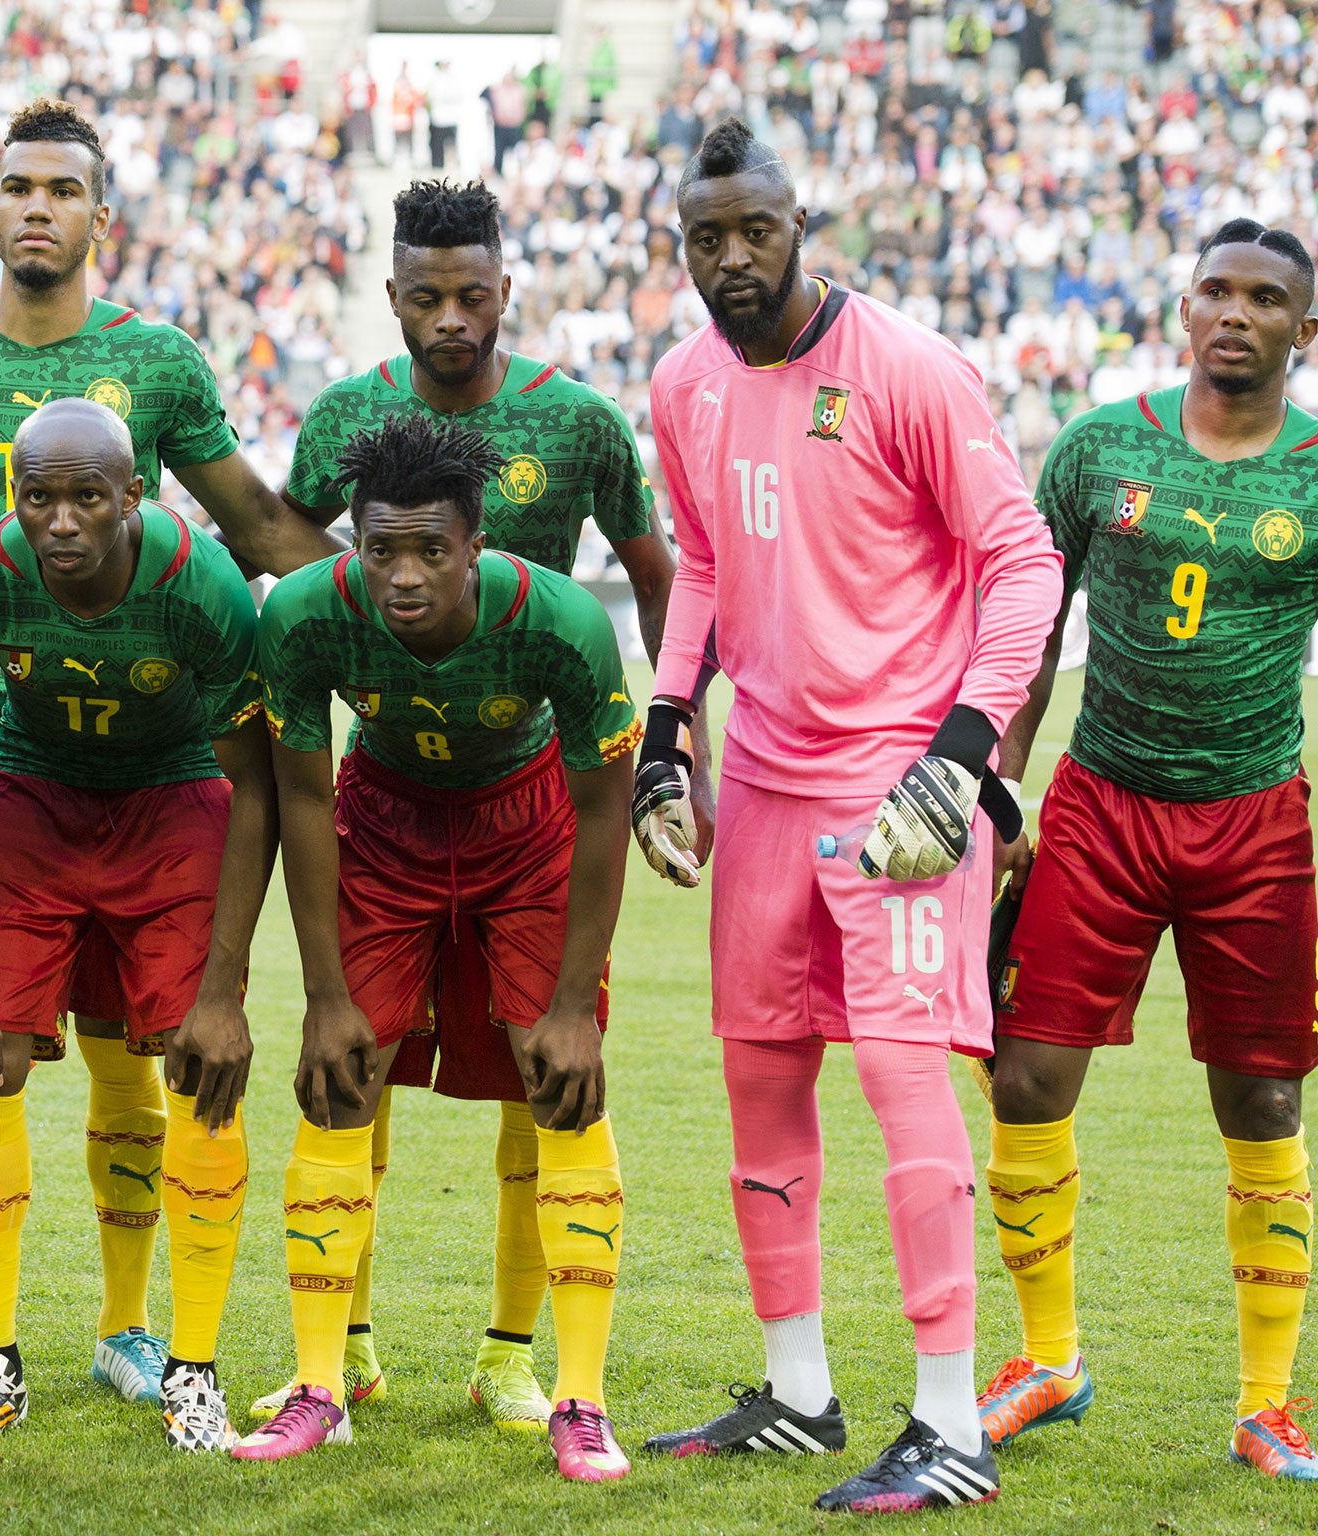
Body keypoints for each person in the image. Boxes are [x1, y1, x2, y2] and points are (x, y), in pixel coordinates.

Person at [0, 96, 333, 1406]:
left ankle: (127, 1331)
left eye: (63, 191)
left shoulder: (156, 365)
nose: (37, 208)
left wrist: (375, 625)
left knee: (135, 1058)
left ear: (102, 220)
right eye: (17, 187)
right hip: (2, 761)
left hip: (158, 774)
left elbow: (258, 526)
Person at [631, 118, 1060, 1513]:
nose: (735, 258)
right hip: (757, 775)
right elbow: (698, 559)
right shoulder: (683, 380)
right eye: (709, 238)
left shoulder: (911, 369)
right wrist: (664, 734)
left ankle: (951, 1425)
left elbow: (1023, 564)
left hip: (901, 782)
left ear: (802, 222)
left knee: (900, 1072)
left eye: (757, 231)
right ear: (681, 245)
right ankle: (801, 1395)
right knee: (763, 1076)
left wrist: (965, 756)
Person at [257, 178, 702, 1432]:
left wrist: (674, 742)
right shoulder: (348, 419)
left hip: (529, 785)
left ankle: (520, 1359)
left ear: (507, 290)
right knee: (357, 1061)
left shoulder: (578, 423)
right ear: (392, 298)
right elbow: (289, 541)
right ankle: (338, 1358)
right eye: (424, 296)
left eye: (471, 294)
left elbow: (656, 571)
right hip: (386, 789)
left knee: (540, 1071)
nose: (450, 317)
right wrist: (380, 622)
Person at [235, 414, 638, 1481]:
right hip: (386, 818)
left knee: (559, 1083)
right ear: (352, 542)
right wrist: (325, 995)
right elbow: (298, 801)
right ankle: (322, 1384)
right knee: (338, 1079)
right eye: (381, 551)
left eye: (431, 551)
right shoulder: (309, 615)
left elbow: (603, 814)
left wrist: (573, 1006)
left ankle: (579, 1398)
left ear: (475, 543)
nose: (403, 576)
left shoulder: (560, 619)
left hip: (526, 820)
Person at [977, 219, 1318, 1479]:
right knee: (1026, 1081)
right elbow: (1029, 620)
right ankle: (1051, 1358)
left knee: (1264, 1101)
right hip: (1100, 808)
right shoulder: (1098, 446)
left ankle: (1268, 1405)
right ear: (1183, 310)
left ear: (1304, 331)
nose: (1235, 313)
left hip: (1254, 820)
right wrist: (1000, 792)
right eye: (1214, 291)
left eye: (1265, 298)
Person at [0, 397, 275, 1450]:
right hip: (31, 799)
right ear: (10, 497)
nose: (61, 520)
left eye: (86, 497)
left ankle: (189, 1367)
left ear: (137, 496)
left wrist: (223, 991)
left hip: (174, 800)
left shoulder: (202, 585)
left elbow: (256, 785)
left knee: (198, 1070)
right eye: (39, 498)